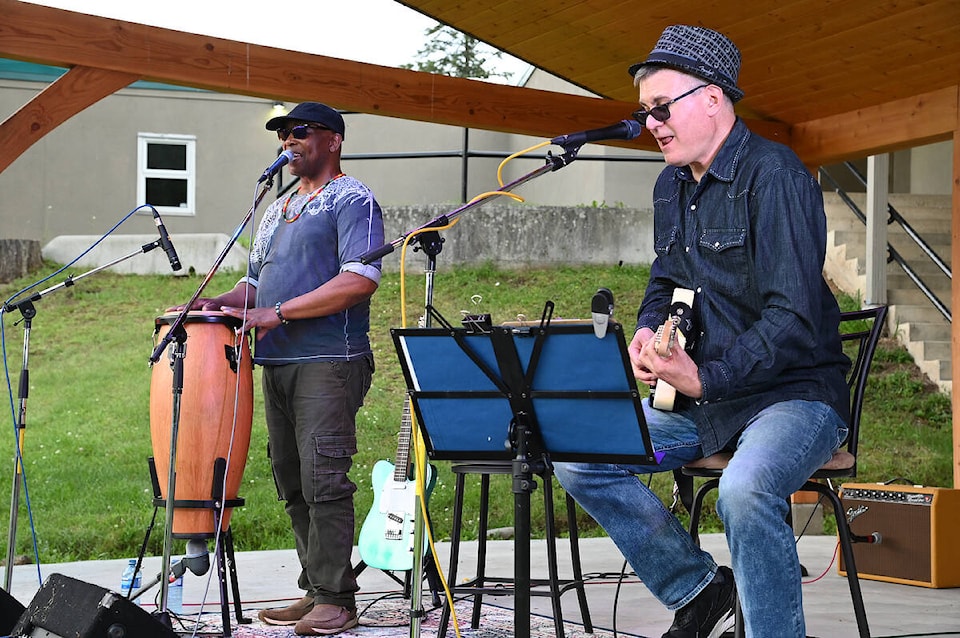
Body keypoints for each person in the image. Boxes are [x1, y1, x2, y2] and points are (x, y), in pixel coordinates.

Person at [553, 25, 851, 638]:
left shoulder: (777, 176)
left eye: (660, 108)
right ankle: (697, 586)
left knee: (743, 491)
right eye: (645, 112)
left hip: (794, 398)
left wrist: (706, 376)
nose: (651, 123)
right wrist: (644, 333)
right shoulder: (671, 184)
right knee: (582, 455)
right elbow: (666, 280)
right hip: (705, 402)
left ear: (712, 98)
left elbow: (792, 319)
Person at [185, 102, 384, 636]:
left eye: (300, 133)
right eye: (282, 136)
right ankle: (317, 589)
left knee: (324, 479)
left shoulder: (352, 198)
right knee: (292, 480)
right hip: (274, 363)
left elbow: (360, 278)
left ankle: (338, 601)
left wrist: (279, 313)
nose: (288, 143)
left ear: (333, 140)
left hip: (329, 361)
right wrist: (216, 304)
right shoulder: (277, 209)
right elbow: (255, 285)